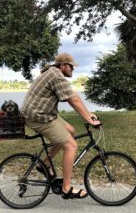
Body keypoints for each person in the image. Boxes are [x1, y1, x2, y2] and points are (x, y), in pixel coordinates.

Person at [21, 52, 101, 199]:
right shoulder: (56, 75)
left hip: (44, 114)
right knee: (71, 146)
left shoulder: (53, 73)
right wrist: (90, 121)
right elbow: (73, 101)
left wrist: (88, 114)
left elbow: (74, 96)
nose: (73, 69)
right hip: (38, 117)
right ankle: (66, 188)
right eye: (71, 66)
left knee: (70, 131)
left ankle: (44, 164)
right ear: (63, 66)